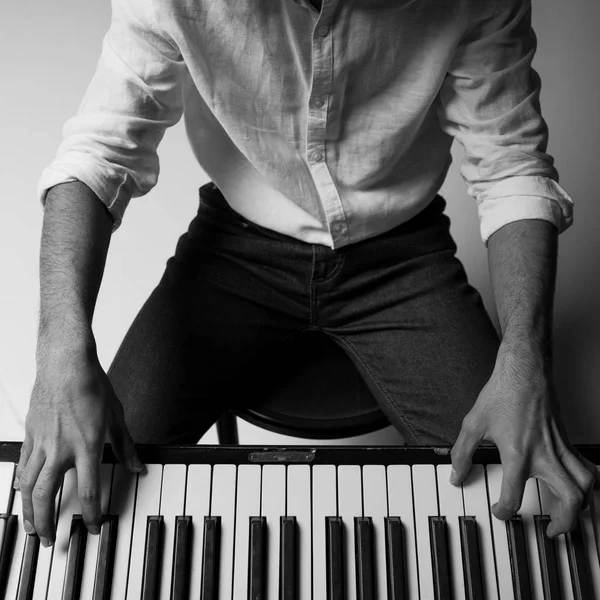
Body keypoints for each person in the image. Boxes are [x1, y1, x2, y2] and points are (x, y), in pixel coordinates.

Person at [15, 0, 598, 551]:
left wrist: (526, 354)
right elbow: (99, 153)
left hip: (403, 259)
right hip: (234, 254)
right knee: (87, 488)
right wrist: (59, 351)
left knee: (532, 500)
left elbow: (511, 164)